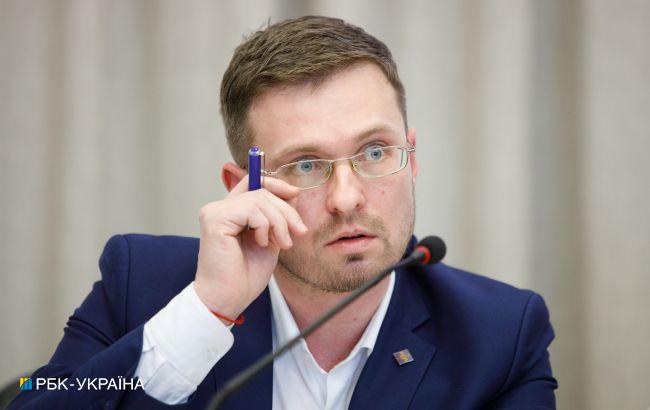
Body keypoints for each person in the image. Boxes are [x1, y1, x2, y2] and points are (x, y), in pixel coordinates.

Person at [10, 16, 557, 410]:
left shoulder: (500, 335)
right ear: (242, 188)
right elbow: (41, 394)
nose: (347, 198)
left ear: (411, 159)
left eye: (374, 153)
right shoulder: (140, 284)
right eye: (306, 165)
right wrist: (207, 313)